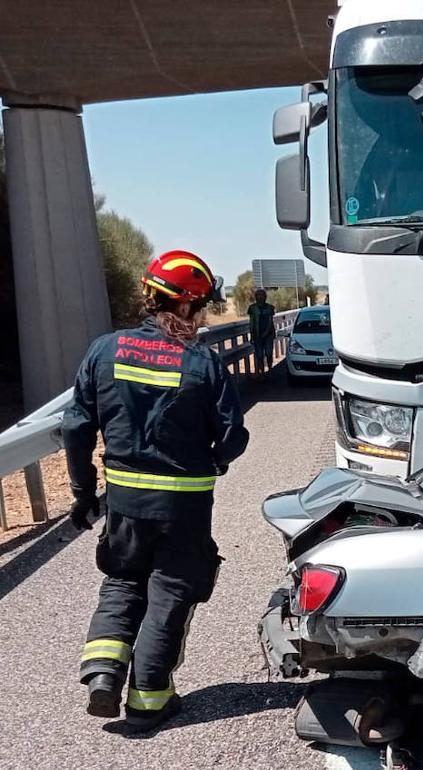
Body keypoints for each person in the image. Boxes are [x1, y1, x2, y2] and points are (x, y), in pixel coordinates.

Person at [63, 250, 249, 729]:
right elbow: (233, 436)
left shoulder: (103, 349)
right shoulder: (203, 363)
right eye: (201, 305)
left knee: (124, 579)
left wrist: (85, 494)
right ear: (186, 307)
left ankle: (103, 671)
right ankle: (149, 701)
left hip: (123, 500)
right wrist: (217, 460)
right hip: (183, 507)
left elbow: (77, 427)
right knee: (170, 590)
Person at [247, 288, 276, 375]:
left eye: (262, 295)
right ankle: (262, 372)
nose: (260, 297)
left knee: (269, 353)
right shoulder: (252, 308)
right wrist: (252, 335)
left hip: (268, 335)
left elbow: (271, 322)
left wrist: (267, 332)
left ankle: (270, 369)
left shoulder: (270, 308)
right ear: (255, 297)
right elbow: (251, 322)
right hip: (257, 335)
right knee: (259, 355)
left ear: (265, 297)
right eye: (258, 296)